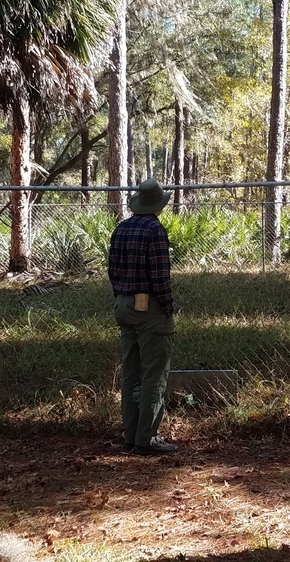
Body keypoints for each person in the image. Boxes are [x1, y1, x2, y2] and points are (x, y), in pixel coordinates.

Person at [108, 178, 178, 456]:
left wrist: (122, 295)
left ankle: (131, 435)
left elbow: (112, 270)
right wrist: (168, 306)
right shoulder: (155, 231)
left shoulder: (121, 229)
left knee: (132, 373)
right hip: (149, 309)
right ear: (158, 205)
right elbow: (160, 277)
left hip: (123, 305)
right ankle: (146, 439)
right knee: (154, 375)